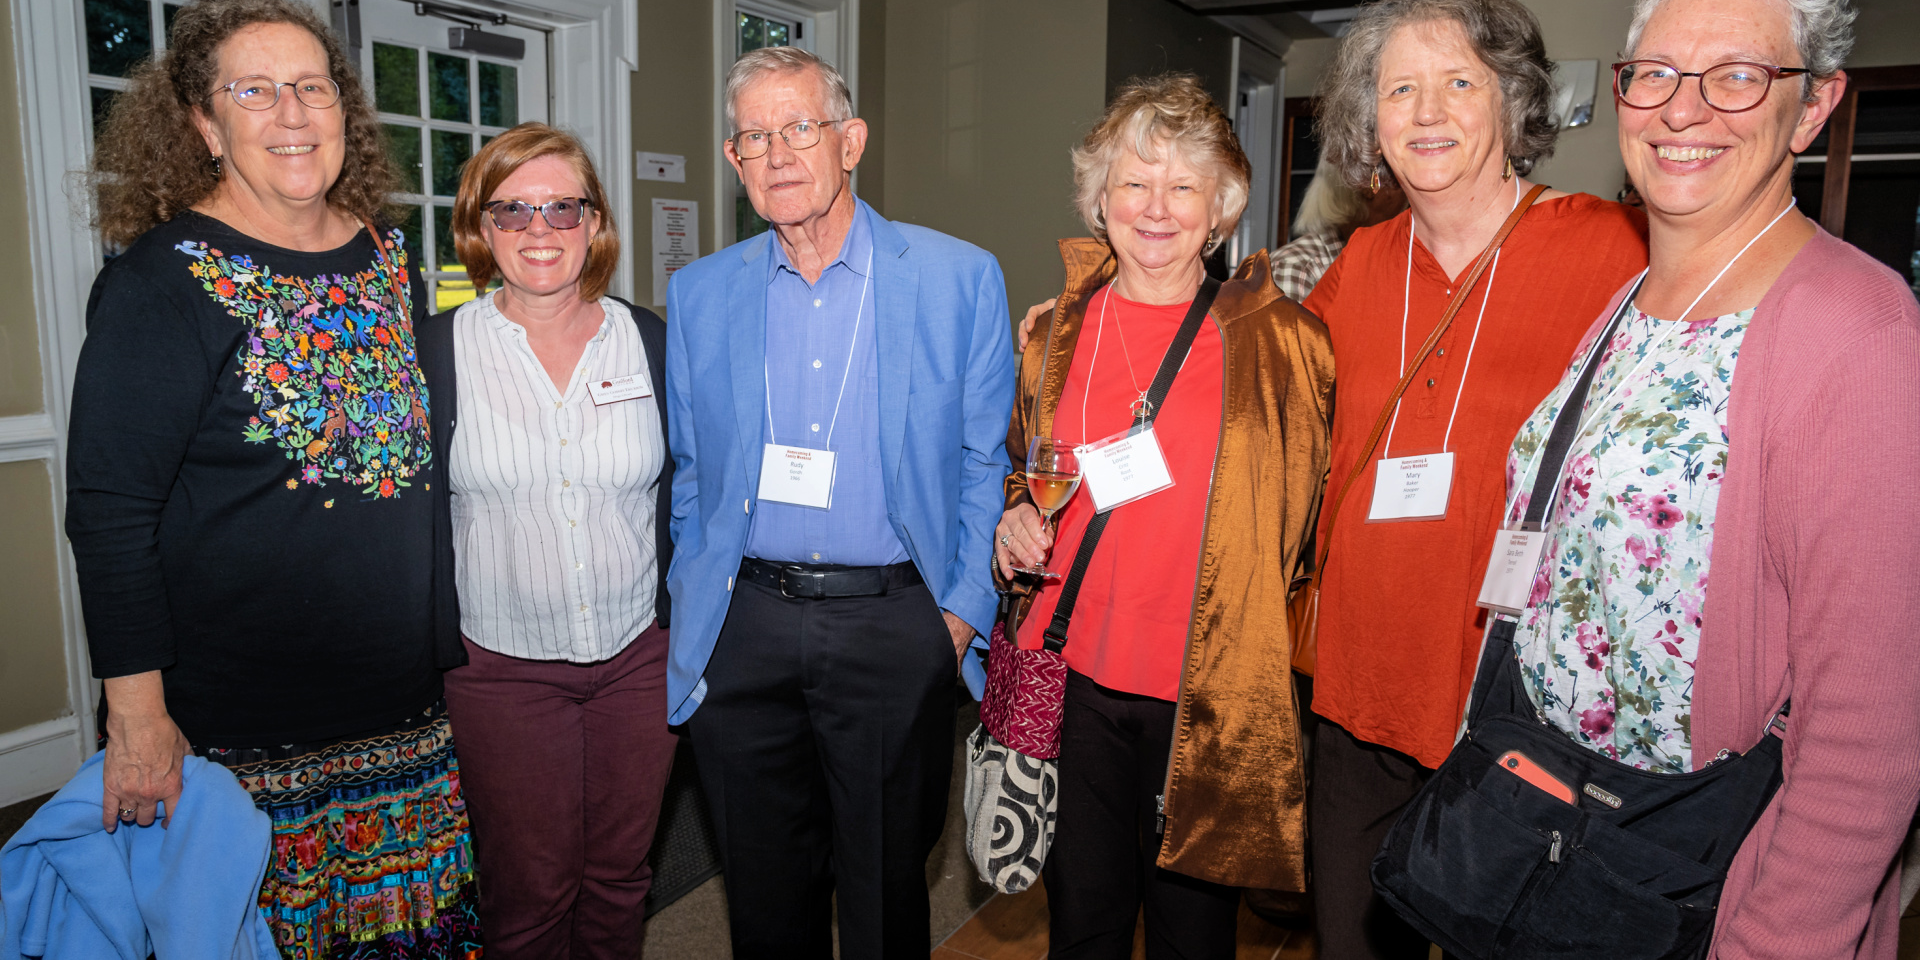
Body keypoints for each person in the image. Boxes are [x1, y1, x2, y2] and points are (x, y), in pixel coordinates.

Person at [1501, 0, 1920, 957]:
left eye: (1736, 76)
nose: (1682, 109)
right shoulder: (1630, 301)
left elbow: (1866, 743)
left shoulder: (1861, 332)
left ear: (1813, 105)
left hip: (1701, 887)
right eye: (1655, 75)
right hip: (1559, 837)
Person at [66, 0, 477, 959]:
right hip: (240, 729)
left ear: (344, 110)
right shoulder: (159, 283)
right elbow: (111, 512)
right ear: (204, 124)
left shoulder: (384, 259)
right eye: (255, 91)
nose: (292, 114)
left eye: (312, 87)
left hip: (400, 710)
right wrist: (138, 717)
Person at [1299, 0, 1650, 959]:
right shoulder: (1353, 268)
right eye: (1400, 89)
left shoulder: (1609, 250)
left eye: (1459, 80)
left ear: (1513, 100)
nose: (1429, 111)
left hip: (1520, 703)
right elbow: (1257, 406)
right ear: (1373, 121)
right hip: (1358, 692)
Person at [662, 46, 1015, 959]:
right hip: (744, 630)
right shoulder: (698, 295)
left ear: (849, 141)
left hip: (897, 625)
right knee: (762, 893)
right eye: (753, 137)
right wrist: (700, 602)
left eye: (799, 128)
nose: (777, 153)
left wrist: (957, 619)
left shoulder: (956, 278)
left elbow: (986, 464)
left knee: (887, 887)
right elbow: (693, 471)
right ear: (734, 162)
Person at [994, 74, 1334, 957]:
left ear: (1220, 208)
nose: (1156, 208)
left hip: (1205, 697)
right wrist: (1014, 523)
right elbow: (1024, 474)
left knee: (1193, 937)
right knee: (1083, 925)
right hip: (1073, 684)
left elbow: (1307, 523)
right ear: (1099, 202)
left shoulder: (1280, 341)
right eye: (1134, 183)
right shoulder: (1049, 336)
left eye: (1183, 186)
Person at [417, 123, 676, 958]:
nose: (540, 229)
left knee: (619, 877)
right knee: (529, 888)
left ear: (595, 224)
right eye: (514, 210)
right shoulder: (434, 353)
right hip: (501, 668)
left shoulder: (654, 343)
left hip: (642, 659)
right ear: (480, 228)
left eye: (564, 208)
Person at [1271, 155, 1406, 301]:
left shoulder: (1396, 261)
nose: (1409, 194)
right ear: (1366, 185)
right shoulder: (1296, 268)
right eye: (1399, 180)